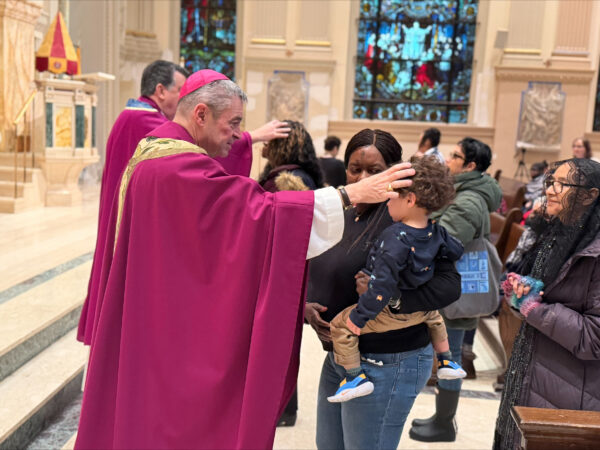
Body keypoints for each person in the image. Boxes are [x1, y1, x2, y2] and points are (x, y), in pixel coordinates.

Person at [74, 70, 416, 450]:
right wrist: (347, 194)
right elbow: (257, 213)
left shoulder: (155, 153)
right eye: (233, 123)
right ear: (200, 114)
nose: (239, 134)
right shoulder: (176, 167)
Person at [77, 59, 290, 345]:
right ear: (160, 90)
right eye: (179, 90)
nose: (182, 99)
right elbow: (189, 160)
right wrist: (251, 138)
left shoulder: (136, 120)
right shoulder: (149, 124)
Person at [305, 129, 463, 450]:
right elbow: (308, 263)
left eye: (374, 171)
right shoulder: (340, 207)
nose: (363, 178)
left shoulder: (402, 218)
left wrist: (391, 297)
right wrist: (305, 305)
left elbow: (449, 286)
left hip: (387, 358)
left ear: (397, 173)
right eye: (354, 168)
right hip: (340, 354)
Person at [327, 156, 466, 404]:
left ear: (410, 199)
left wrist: (362, 316)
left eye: (391, 194)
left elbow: (382, 285)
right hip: (421, 311)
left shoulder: (394, 237)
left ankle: (354, 377)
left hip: (390, 311)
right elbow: (456, 249)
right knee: (434, 316)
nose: (387, 200)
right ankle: (446, 360)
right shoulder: (436, 230)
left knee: (340, 326)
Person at [494, 158, 600, 449]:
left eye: (563, 184)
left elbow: (594, 337)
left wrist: (534, 309)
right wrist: (521, 291)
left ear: (591, 195)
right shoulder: (558, 235)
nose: (552, 190)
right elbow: (541, 295)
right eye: (551, 182)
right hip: (531, 375)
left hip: (570, 396)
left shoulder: (595, 253)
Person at [409, 137, 502, 443]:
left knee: (450, 360)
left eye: (455, 156)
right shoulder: (466, 193)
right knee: (448, 357)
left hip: (456, 293)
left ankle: (445, 423)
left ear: (470, 165)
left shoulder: (469, 200)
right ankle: (441, 418)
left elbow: (445, 240)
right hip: (453, 290)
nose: (448, 159)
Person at [258, 120, 323, 427]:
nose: (262, 145)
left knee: (278, 341)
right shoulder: (292, 176)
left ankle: (283, 408)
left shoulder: (289, 180)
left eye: (269, 140)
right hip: (283, 271)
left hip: (281, 273)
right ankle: (282, 406)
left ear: (283, 145)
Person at [259, 121, 324, 192]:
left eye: (270, 141)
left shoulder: (289, 182)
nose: (265, 144)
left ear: (281, 147)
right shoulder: (302, 174)